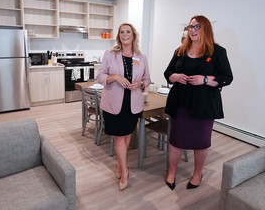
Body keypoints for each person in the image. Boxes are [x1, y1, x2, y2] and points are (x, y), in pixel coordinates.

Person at [163, 15, 233, 190]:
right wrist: (176, 76)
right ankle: (171, 172)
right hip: (181, 103)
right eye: (190, 27)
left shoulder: (218, 52)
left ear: (206, 29)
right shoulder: (180, 50)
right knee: (176, 140)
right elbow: (168, 72)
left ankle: (197, 174)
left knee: (201, 141)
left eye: (197, 27)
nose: (192, 30)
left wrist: (206, 80)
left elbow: (227, 77)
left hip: (204, 105)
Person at [97, 23, 151, 191]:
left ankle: (120, 166)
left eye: (128, 32)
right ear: (119, 35)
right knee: (119, 137)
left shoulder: (141, 57)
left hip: (132, 104)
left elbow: (148, 79)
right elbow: (99, 76)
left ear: (133, 35)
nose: (125, 34)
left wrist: (140, 83)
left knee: (127, 136)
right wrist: (114, 77)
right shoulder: (110, 54)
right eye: (122, 32)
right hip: (114, 103)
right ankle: (124, 171)